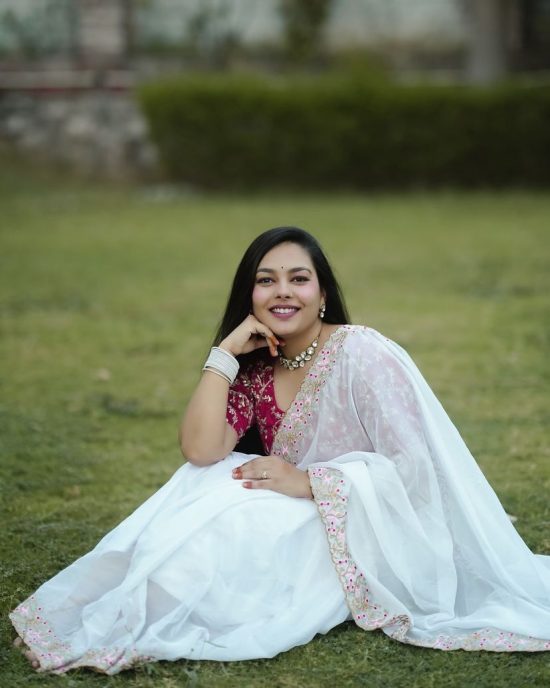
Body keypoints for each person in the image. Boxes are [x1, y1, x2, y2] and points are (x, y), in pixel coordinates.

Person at [10, 227, 550, 674]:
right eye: (265, 281)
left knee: (232, 519)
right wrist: (222, 354)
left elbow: (418, 471)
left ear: (321, 292)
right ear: (250, 296)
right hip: (289, 514)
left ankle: (158, 604)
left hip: (364, 528)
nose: (282, 292)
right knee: (207, 481)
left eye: (299, 278)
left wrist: (311, 482)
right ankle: (132, 603)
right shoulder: (251, 373)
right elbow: (200, 450)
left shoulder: (361, 352)